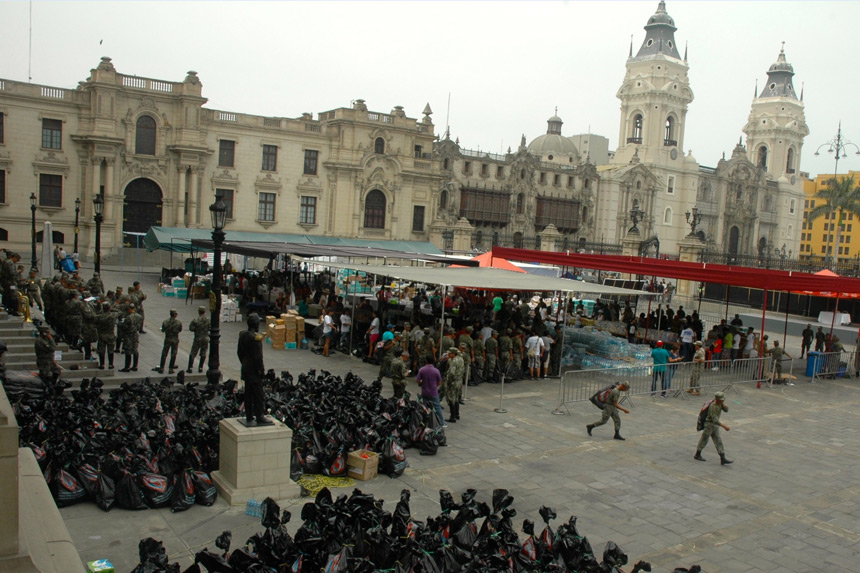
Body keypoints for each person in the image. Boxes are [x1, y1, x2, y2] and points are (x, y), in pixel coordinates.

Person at [237, 313, 270, 426]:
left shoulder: (242, 335)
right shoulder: (256, 338)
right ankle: (260, 416)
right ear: (255, 324)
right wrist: (261, 371)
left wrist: (245, 363)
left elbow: (239, 353)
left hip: (245, 369)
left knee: (248, 393)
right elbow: (258, 358)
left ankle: (249, 415)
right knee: (258, 394)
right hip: (254, 372)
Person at [694, 391, 733, 465]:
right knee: (704, 440)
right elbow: (715, 420)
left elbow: (726, 410)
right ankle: (697, 454)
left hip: (714, 426)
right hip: (709, 425)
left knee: (718, 441)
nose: (723, 401)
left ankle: (722, 458)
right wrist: (724, 426)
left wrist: (723, 403)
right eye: (721, 400)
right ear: (717, 399)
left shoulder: (720, 404)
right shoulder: (713, 406)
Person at [416, 355, 445, 427]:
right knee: (437, 407)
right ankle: (441, 423)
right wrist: (435, 385)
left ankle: (425, 421)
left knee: (425, 407)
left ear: (426, 360)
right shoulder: (436, 371)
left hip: (425, 391)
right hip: (433, 392)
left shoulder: (422, 370)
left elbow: (417, 380)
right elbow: (439, 382)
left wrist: (422, 382)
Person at [153, 309, 183, 374]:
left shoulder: (165, 322)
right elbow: (180, 330)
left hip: (167, 338)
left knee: (164, 353)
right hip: (175, 339)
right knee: (173, 354)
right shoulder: (178, 322)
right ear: (175, 315)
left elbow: (163, 330)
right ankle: (171, 368)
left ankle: (161, 368)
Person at [118, 304, 142, 372]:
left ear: (129, 309)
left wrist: (121, 324)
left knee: (128, 350)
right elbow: (139, 325)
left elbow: (125, 327)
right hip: (135, 334)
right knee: (135, 350)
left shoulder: (128, 317)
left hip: (129, 335)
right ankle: (135, 366)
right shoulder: (139, 316)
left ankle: (127, 367)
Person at [443, 347, 464, 423]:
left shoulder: (454, 361)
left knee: (451, 399)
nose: (448, 354)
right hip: (459, 381)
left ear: (453, 354)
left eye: (449, 353)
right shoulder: (460, 359)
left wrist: (448, 382)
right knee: (456, 398)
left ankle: (452, 416)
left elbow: (451, 372)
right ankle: (457, 414)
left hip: (453, 382)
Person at [187, 306, 210, 373]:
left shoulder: (195, 320)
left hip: (198, 338)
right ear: (204, 312)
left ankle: (190, 367)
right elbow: (210, 328)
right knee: (203, 353)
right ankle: (200, 367)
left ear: (198, 311)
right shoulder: (208, 320)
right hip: (205, 338)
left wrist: (196, 330)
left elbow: (191, 328)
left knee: (193, 352)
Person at [95, 302, 117, 370]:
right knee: (110, 350)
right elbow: (120, 312)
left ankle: (102, 364)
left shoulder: (99, 316)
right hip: (110, 334)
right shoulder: (113, 315)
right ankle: (110, 364)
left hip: (102, 335)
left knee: (101, 350)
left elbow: (95, 322)